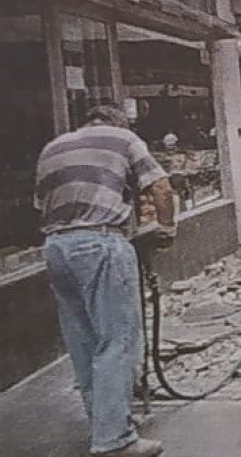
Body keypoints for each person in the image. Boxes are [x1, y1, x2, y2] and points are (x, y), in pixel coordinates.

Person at [35, 106, 175, 457]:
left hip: (56, 247)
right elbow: (160, 185)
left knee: (83, 341)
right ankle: (115, 439)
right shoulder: (124, 138)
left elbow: (42, 203)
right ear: (118, 122)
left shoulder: (53, 147)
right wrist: (167, 227)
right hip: (100, 243)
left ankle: (105, 424)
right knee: (117, 339)